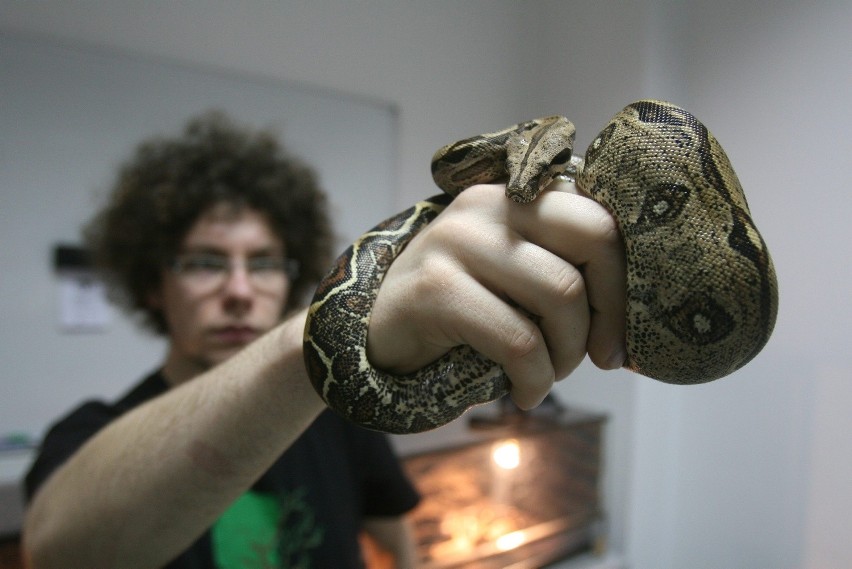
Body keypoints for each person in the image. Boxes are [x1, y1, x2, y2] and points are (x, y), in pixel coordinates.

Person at [22, 111, 627, 569]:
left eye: (263, 264)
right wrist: (327, 334)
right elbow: (56, 550)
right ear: (152, 283)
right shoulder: (93, 431)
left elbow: (394, 533)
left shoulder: (336, 421)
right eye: (205, 263)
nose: (238, 290)